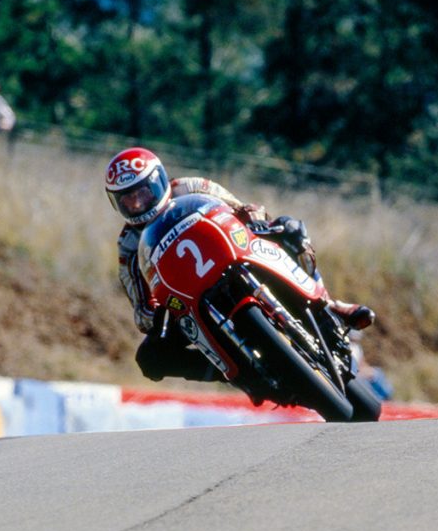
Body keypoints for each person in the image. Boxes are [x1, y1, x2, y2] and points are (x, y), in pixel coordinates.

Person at [105, 146, 376, 383]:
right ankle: (236, 373)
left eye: (142, 192)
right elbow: (141, 308)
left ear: (158, 181)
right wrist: (161, 313)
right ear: (116, 203)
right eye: (127, 199)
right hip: (188, 300)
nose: (137, 203)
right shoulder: (128, 245)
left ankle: (330, 306)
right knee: (150, 359)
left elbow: (240, 207)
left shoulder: (190, 186)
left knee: (290, 228)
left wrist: (257, 218)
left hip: (233, 254)